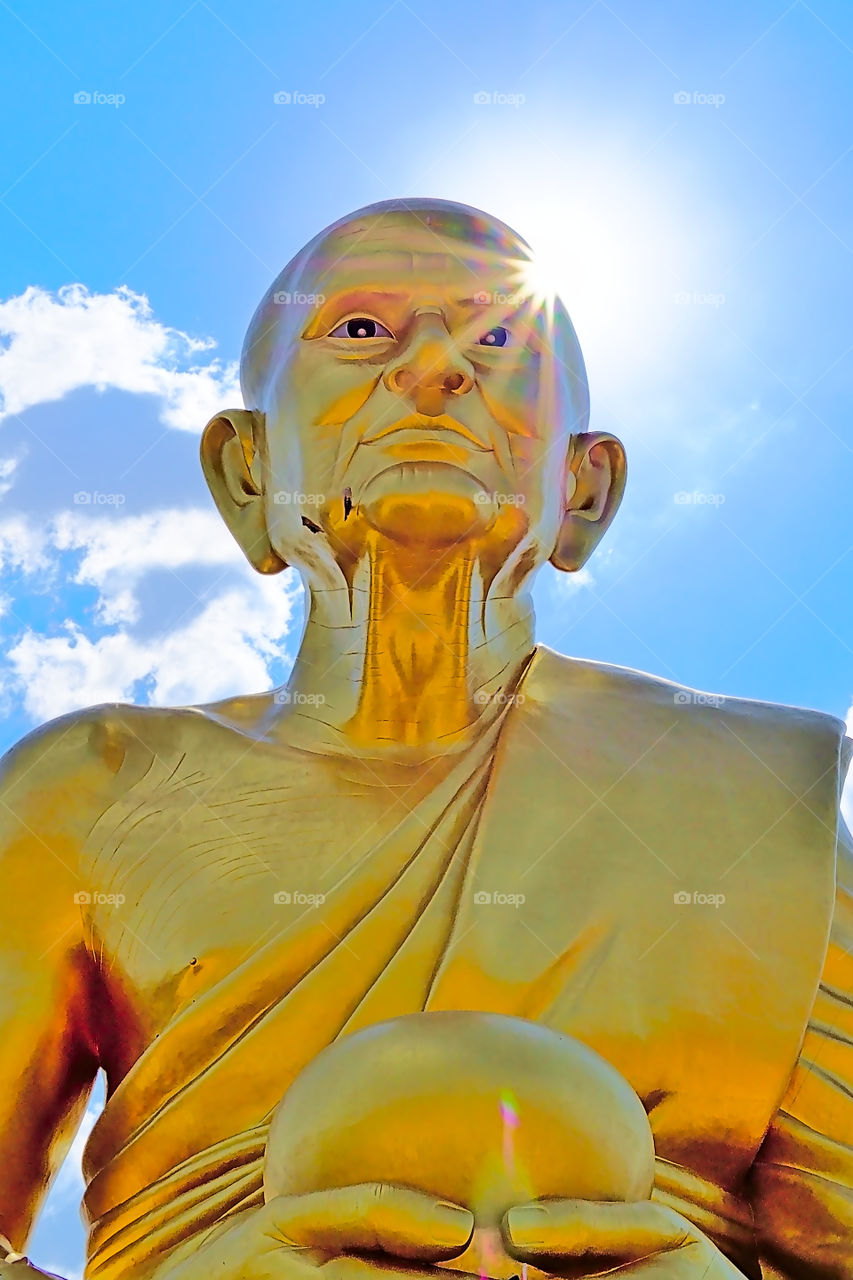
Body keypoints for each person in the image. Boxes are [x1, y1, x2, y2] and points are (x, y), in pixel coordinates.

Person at [1, 199, 850, 1279]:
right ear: (247, 473)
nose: (436, 367)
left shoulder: (741, 802)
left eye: (499, 339)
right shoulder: (95, 792)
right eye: (359, 330)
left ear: (584, 489)